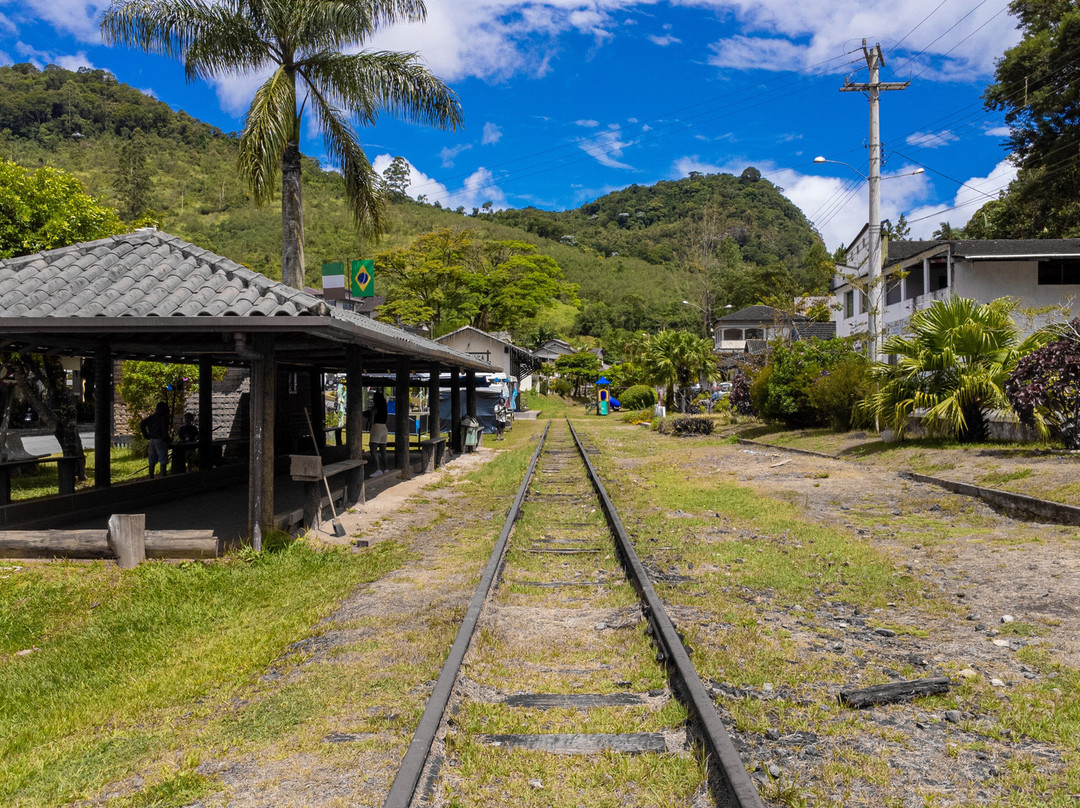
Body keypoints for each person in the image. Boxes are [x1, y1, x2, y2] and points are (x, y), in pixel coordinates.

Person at [140, 401, 171, 478]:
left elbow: (142, 424)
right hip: (160, 440)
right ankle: (163, 476)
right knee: (163, 459)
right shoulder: (163, 418)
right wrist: (166, 438)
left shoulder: (152, 418)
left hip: (152, 439)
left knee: (152, 459)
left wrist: (146, 435)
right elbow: (164, 430)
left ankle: (151, 477)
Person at [366, 389, 389, 476]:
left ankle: (378, 469)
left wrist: (370, 427)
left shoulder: (374, 408)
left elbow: (371, 420)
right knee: (383, 450)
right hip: (384, 427)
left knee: (373, 449)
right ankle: (386, 468)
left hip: (377, 427)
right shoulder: (384, 407)